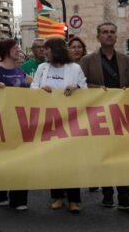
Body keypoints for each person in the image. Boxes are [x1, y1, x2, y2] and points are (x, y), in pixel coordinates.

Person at [79, 22, 129, 211]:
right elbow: (81, 85)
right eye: (105, 32)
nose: (109, 35)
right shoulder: (87, 61)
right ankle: (107, 194)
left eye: (112, 32)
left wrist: (126, 90)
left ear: (116, 36)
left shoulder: (126, 60)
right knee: (104, 155)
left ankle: (124, 197)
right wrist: (97, 89)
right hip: (98, 115)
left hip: (121, 114)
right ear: (98, 37)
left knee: (122, 156)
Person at [31, 38, 87, 213]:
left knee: (71, 161)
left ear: (56, 50)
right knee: (53, 159)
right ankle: (56, 196)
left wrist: (76, 86)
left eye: (47, 49)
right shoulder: (42, 68)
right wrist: (41, 90)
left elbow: (85, 89)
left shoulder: (75, 68)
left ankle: (74, 200)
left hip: (70, 121)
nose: (44, 52)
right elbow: (33, 86)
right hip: (49, 121)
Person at [0, 39, 30, 211]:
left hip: (20, 122)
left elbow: (34, 86)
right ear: (5, 51)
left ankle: (19, 199)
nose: (18, 49)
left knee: (21, 160)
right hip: (0, 123)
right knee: (1, 158)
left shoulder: (20, 70)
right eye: (15, 48)